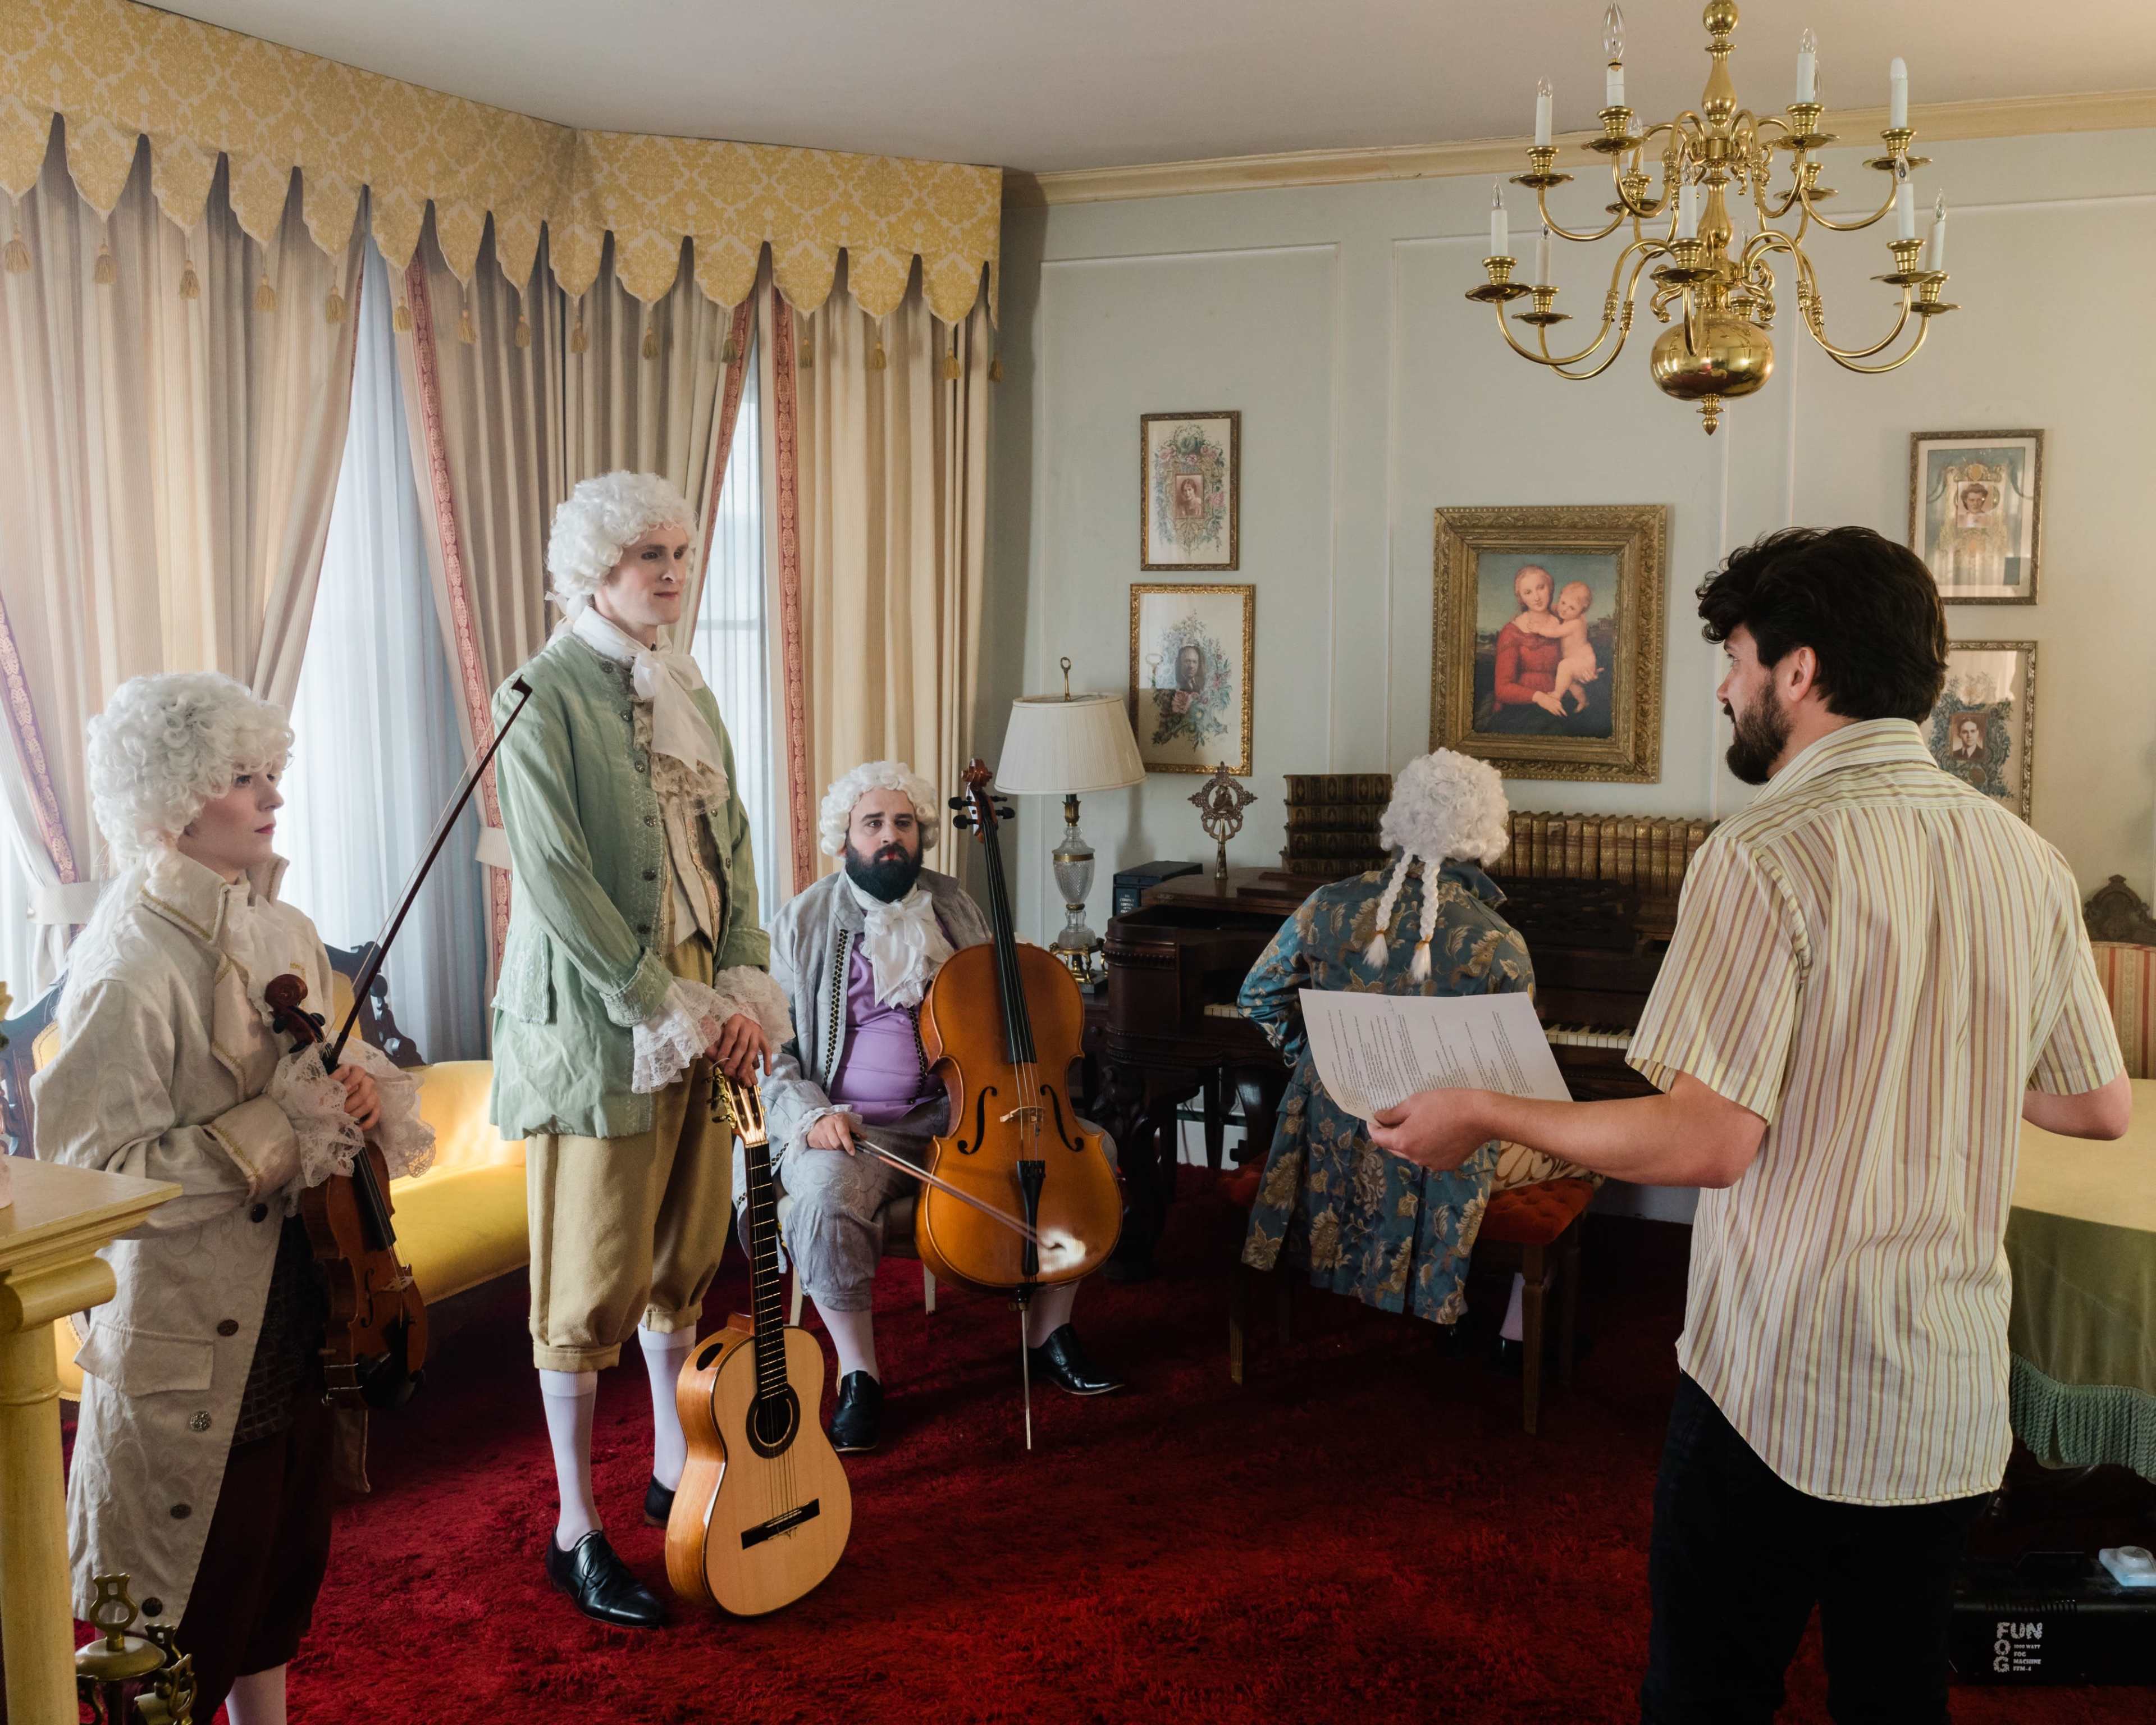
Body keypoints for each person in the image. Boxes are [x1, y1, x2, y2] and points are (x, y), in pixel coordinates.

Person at [1368, 526, 2130, 1724]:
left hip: (1783, 1384)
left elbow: (1704, 1144)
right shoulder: (2029, 861)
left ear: (1799, 670)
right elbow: (2096, 1104)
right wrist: (1929, 1050)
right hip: (1946, 1396)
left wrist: (1479, 1111)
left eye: (1732, 654)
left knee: (1707, 1700)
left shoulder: (1765, 851)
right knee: (1894, 1703)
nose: (1723, 683)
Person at [34, 672, 433, 1725]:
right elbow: (97, 1172)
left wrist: (359, 1090)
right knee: (184, 1607)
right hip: (188, 1332)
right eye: (241, 779)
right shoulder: (125, 965)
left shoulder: (286, 926)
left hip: (303, 1305)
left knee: (276, 1579)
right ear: (171, 801)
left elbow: (338, 1069)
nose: (272, 797)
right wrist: (279, 1126)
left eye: (272, 773)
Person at [490, 471, 790, 1628]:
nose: (673, 573)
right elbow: (556, 879)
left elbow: (737, 847)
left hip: (707, 1017)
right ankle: (576, 1526)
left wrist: (746, 987)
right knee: (585, 1284)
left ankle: (678, 1472)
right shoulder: (542, 693)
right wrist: (661, 997)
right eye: (647, 556)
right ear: (594, 570)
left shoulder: (689, 691)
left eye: (679, 552)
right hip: (604, 1029)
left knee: (683, 1258)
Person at [760, 761, 1124, 1453]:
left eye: (904, 823)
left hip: (962, 1118)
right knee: (822, 1192)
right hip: (857, 1130)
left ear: (923, 834)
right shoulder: (802, 923)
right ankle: (859, 1376)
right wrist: (812, 1116)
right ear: (846, 837)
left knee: (1093, 1154)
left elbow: (994, 1010)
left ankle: (1051, 1333)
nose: (890, 837)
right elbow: (773, 1055)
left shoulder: (955, 905)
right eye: (873, 824)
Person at [1239, 749, 1533, 1327]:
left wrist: (1320, 1063)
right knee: (1582, 1157)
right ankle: (1516, 1332)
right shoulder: (1499, 942)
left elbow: (1257, 996)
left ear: (1399, 820)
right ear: (1486, 834)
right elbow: (1511, 1073)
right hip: (1438, 1144)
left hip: (1329, 1129)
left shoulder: (1325, 906)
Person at [1490, 564, 1564, 717]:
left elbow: (1570, 665)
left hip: (1559, 700)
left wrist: (1584, 671)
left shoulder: (1563, 625)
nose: (1536, 598)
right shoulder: (1512, 632)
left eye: (1541, 588)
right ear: (1521, 598)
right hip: (1522, 708)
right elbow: (1502, 689)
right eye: (1528, 592)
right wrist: (1540, 698)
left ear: (1550, 587)